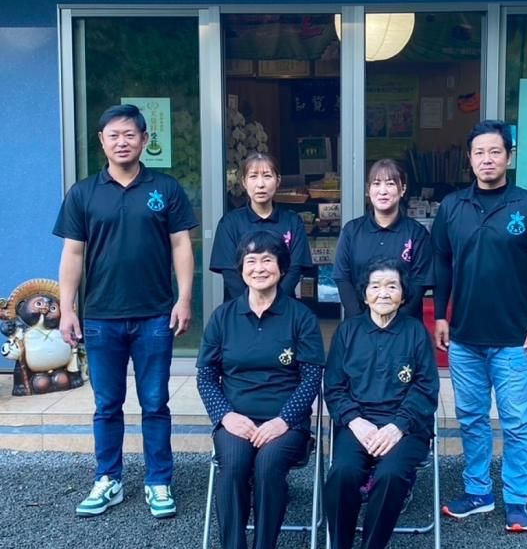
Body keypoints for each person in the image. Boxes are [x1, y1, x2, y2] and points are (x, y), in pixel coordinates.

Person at [53, 104, 198, 519]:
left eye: (130, 134)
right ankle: (108, 479)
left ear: (145, 140)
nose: (122, 142)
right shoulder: (83, 193)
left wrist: (184, 298)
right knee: (107, 404)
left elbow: (181, 245)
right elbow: (73, 254)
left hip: (154, 314)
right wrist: (67, 309)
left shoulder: (165, 189)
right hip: (101, 316)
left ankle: (158, 480)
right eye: (113, 135)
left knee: (155, 402)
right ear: (102, 141)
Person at [431, 119, 527, 533]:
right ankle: (478, 491)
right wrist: (441, 315)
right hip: (465, 336)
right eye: (479, 152)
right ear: (469, 159)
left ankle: (517, 498)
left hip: (515, 339)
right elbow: (442, 263)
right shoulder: (452, 206)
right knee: (471, 418)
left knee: (516, 421)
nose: (487, 159)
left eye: (495, 151)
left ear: (509, 156)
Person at [197, 230, 324, 549]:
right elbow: (206, 375)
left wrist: (284, 420)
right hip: (236, 419)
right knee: (234, 464)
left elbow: (312, 376)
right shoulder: (223, 317)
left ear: (282, 268)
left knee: (268, 465)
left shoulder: (300, 317)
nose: (259, 267)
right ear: (241, 269)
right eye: (251, 261)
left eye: (268, 260)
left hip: (287, 424)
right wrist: (225, 415)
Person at [316, 258, 439, 549]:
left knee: (391, 475)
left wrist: (398, 426)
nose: (383, 293)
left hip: (405, 427)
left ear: (403, 295)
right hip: (357, 424)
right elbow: (334, 386)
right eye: (376, 286)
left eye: (392, 286)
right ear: (365, 294)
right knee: (342, 472)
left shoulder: (416, 333)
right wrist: (355, 421)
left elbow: (426, 387)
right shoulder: (348, 331)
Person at [333, 159, 433, 320]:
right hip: (359, 324)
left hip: (404, 325)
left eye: (390, 184)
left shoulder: (417, 233)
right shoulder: (351, 231)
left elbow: (419, 283)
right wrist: (361, 322)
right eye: (376, 183)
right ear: (368, 189)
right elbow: (342, 278)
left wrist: (392, 324)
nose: (383, 191)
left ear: (403, 189)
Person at [210, 152, 313, 301]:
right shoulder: (229, 223)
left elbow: (295, 269)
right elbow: (230, 273)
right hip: (240, 307)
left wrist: (274, 304)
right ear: (244, 182)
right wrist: (252, 304)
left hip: (283, 307)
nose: (260, 184)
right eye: (253, 176)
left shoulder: (292, 221)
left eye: (267, 176)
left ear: (278, 181)